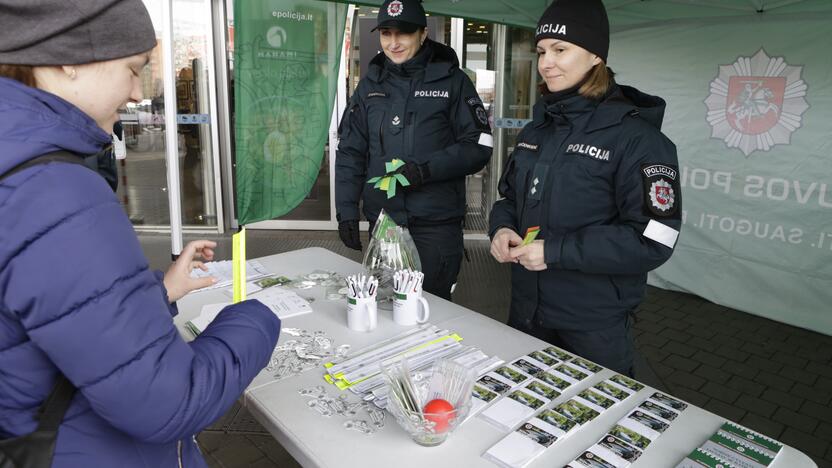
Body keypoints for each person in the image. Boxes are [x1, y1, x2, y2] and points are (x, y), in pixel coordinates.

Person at [0, 1, 280, 466]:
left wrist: (162, 289)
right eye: (133, 69)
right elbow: (169, 402)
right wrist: (257, 318)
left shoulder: (18, 157)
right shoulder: (53, 187)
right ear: (68, 58)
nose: (136, 92)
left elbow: (50, 316)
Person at [489, 0, 682, 375]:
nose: (546, 62)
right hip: (526, 312)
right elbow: (510, 198)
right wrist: (502, 228)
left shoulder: (638, 140)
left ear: (595, 55)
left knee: (593, 422)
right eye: (542, 51)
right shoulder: (538, 130)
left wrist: (555, 252)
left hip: (593, 324)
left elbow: (655, 238)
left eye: (561, 50)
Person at [335, 0, 493, 300]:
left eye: (403, 33)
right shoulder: (370, 83)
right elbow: (351, 151)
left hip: (434, 225)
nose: (393, 43)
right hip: (385, 224)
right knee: (385, 305)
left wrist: (426, 170)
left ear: (423, 33)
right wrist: (345, 211)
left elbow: (480, 145)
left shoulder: (452, 81)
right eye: (386, 33)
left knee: (431, 308)